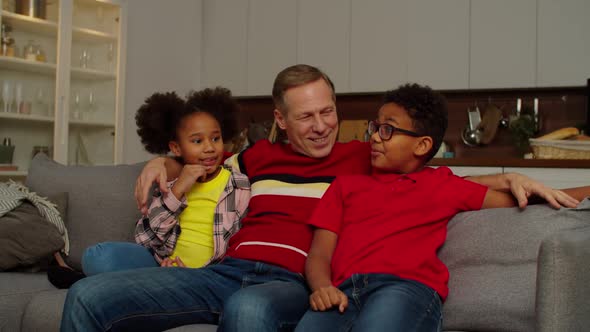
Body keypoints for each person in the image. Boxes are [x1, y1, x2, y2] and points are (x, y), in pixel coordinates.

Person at [61, 64, 580, 332]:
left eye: (328, 111)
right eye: (306, 117)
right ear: (281, 120)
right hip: (225, 270)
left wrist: (512, 179)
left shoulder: (364, 158)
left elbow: (432, 177)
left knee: (249, 309)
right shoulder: (258, 157)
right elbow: (200, 164)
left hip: (290, 282)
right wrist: (164, 163)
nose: (322, 126)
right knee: (87, 295)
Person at [295, 83, 589, 332]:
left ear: (422, 146)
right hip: (342, 291)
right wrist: (322, 287)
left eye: (388, 130)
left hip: (403, 289)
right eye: (375, 127)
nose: (374, 136)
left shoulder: (442, 185)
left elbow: (521, 200)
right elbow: (319, 252)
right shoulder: (346, 186)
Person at [80, 88, 251, 276]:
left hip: (210, 276)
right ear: (176, 148)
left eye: (215, 138)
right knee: (98, 257)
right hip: (164, 270)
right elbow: (145, 240)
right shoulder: (170, 184)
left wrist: (203, 271)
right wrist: (177, 191)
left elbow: (243, 243)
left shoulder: (238, 183)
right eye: (197, 141)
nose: (209, 147)